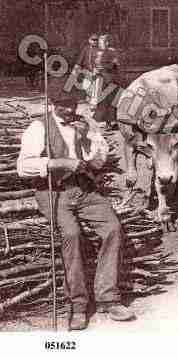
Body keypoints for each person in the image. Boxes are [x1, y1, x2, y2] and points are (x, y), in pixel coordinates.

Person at [17, 98, 135, 331]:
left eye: (72, 104)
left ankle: (107, 297)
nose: (69, 110)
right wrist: (58, 163)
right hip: (52, 191)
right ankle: (78, 305)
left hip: (84, 191)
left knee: (113, 228)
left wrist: (86, 143)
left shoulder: (86, 124)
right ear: (51, 103)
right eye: (63, 105)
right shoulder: (39, 127)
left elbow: (100, 161)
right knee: (71, 234)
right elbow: (23, 167)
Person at [91, 34, 121, 130]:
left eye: (101, 42)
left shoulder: (112, 52)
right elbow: (96, 64)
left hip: (110, 79)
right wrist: (95, 70)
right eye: (99, 42)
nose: (99, 44)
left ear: (107, 43)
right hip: (101, 79)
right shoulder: (99, 53)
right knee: (103, 101)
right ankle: (106, 122)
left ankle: (113, 122)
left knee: (111, 100)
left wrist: (104, 68)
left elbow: (115, 65)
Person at [74, 34, 99, 102]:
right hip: (87, 71)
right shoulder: (86, 49)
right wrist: (76, 68)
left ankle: (93, 100)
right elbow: (80, 60)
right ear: (89, 40)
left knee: (96, 87)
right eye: (93, 40)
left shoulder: (100, 50)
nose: (94, 41)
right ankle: (89, 97)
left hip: (97, 71)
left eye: (96, 40)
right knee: (86, 86)